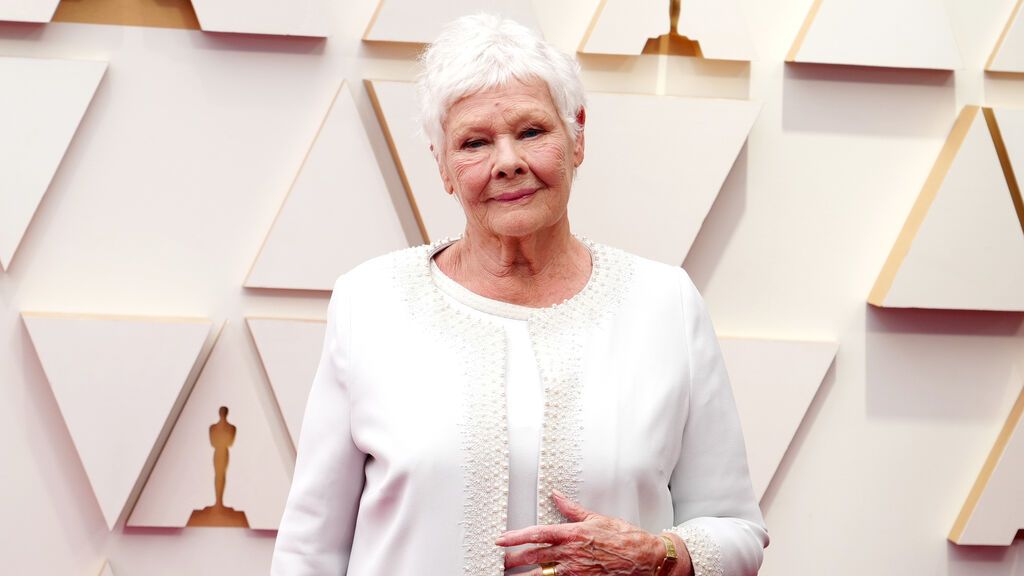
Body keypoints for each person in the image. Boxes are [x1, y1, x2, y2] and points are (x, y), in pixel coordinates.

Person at [271, 13, 767, 576]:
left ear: (577, 136)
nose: (508, 163)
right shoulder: (370, 302)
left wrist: (658, 555)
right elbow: (310, 551)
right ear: (443, 166)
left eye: (532, 132)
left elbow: (738, 532)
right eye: (475, 142)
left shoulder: (665, 304)